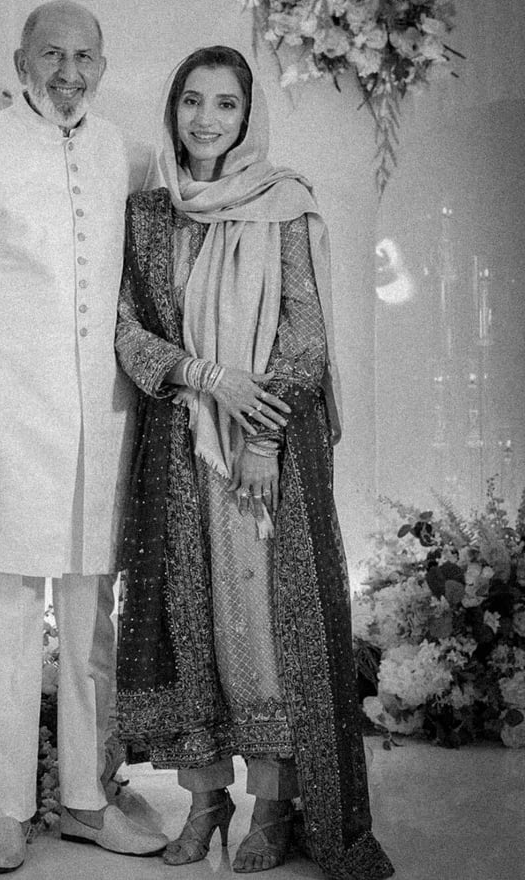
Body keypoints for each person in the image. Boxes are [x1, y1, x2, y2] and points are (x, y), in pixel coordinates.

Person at [114, 46, 395, 879]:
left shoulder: (284, 205)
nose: (206, 119)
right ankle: (206, 801)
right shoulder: (148, 214)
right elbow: (126, 329)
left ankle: (272, 807)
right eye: (192, 101)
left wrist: (263, 437)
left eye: (226, 104)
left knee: (263, 631)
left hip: (261, 452)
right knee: (186, 625)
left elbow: (305, 334)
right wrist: (207, 376)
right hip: (176, 447)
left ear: (248, 116)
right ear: (173, 110)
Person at [0, 0, 166, 873]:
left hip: (104, 431)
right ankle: (11, 811)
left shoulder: (127, 154)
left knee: (94, 628)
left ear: (103, 65)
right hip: (4, 428)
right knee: (11, 624)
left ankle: (88, 801)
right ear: (21, 62)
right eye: (51, 54)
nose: (68, 71)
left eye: (84, 55)